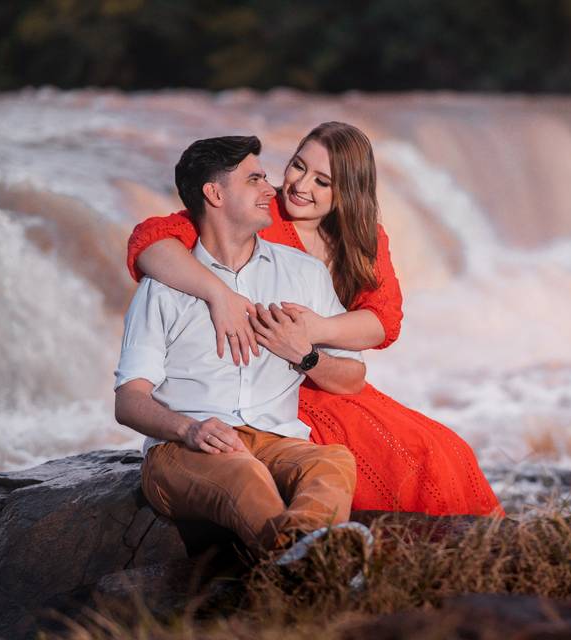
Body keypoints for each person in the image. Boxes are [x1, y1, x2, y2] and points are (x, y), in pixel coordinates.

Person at [126, 122, 504, 517]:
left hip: (320, 368)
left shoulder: (362, 240)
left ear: (347, 193)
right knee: (356, 450)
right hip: (269, 385)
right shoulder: (255, 213)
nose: (300, 186)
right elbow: (149, 242)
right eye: (297, 166)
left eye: (322, 181)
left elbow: (384, 323)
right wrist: (219, 294)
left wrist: (312, 331)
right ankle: (332, 544)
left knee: (438, 446)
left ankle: (475, 543)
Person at [114, 135, 367, 557]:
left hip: (276, 439)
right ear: (214, 193)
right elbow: (128, 401)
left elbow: (352, 377)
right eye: (254, 180)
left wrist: (305, 355)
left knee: (333, 461)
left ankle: (304, 557)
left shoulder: (304, 274)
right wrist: (189, 429)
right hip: (184, 449)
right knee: (242, 473)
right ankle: (310, 565)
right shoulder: (164, 285)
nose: (272, 190)